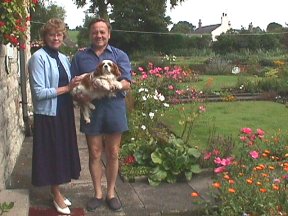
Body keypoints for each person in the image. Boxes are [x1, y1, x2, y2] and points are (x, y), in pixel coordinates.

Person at [71, 18, 132, 212]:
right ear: (90, 34)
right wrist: (80, 98)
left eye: (102, 32)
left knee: (113, 152)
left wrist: (116, 85)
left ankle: (111, 193)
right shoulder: (80, 57)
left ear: (109, 34)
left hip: (114, 107)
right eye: (95, 32)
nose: (99, 35)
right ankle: (97, 193)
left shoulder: (119, 55)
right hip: (92, 108)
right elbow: (73, 83)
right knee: (95, 153)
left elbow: (127, 82)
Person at [28, 18, 81, 215]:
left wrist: (77, 87)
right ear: (45, 37)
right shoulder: (38, 58)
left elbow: (69, 87)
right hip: (48, 114)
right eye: (52, 34)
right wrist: (67, 88)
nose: (56, 37)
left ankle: (56, 190)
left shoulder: (64, 58)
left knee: (62, 151)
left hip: (64, 111)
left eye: (59, 34)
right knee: (52, 153)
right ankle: (56, 193)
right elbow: (39, 92)